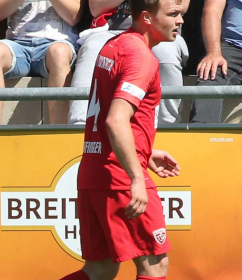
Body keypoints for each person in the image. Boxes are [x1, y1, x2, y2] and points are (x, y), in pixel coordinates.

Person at [59, 0, 184, 279]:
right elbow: (115, 120)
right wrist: (136, 177)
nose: (180, 21)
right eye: (173, 14)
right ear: (147, 17)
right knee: (155, 265)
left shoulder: (113, 45)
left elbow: (111, 115)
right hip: (119, 177)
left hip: (93, 171)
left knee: (100, 269)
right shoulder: (141, 57)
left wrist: (145, 152)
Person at [68, 0, 190, 125]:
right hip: (107, 31)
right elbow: (96, 8)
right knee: (92, 48)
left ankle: (168, 126)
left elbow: (182, 6)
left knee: (166, 53)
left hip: (159, 30)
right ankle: (80, 126)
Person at [0, 0, 82, 125]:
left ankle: (59, 134)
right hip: (17, 42)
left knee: (58, 53)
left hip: (57, 42)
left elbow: (74, 16)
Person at [190, 0, 242, 123]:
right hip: (232, 47)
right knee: (210, 74)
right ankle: (201, 137)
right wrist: (214, 52)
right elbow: (212, 10)